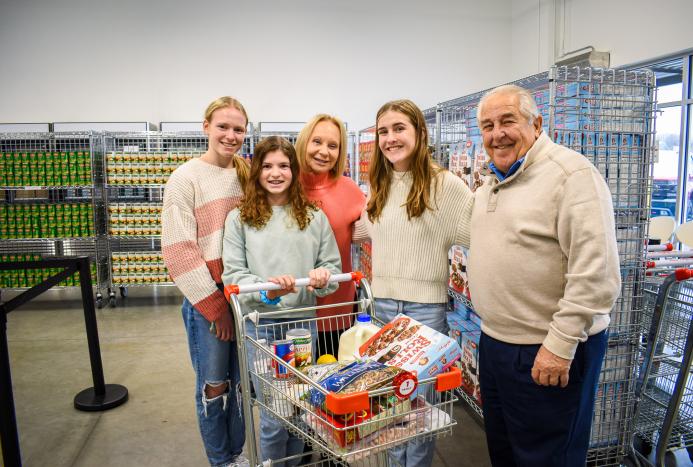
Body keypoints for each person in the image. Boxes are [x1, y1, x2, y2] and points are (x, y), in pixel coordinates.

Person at [467, 84, 621, 467]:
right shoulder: (491, 182)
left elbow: (596, 273)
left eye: (508, 121)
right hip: (497, 344)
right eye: (487, 126)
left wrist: (560, 344)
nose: (497, 134)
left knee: (548, 458)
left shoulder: (571, 175)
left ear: (537, 123)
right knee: (506, 453)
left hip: (547, 348)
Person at [361, 99, 474, 467]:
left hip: (425, 310)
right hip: (382, 309)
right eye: (383, 131)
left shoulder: (446, 185)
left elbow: (478, 233)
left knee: (418, 407)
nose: (390, 138)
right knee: (390, 405)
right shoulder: (377, 185)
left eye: (399, 129)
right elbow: (374, 234)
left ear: (419, 134)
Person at [221, 136, 341, 467]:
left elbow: (332, 268)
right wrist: (266, 291)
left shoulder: (314, 217)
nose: (276, 173)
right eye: (268, 166)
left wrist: (321, 278)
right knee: (276, 416)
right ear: (257, 171)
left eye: (284, 166)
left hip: (302, 328)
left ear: (295, 170)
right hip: (260, 330)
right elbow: (233, 276)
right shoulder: (239, 218)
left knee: (300, 413)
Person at [161, 96, 251, 467]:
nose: (230, 136)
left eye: (238, 129)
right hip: (208, 301)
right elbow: (179, 251)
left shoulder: (246, 173)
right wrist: (216, 307)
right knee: (215, 386)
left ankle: (238, 454)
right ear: (206, 127)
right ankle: (221, 460)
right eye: (223, 127)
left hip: (244, 297)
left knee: (243, 385)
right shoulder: (185, 179)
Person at [295, 114, 366, 357]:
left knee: (332, 380)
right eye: (317, 142)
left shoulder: (350, 190)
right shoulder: (283, 186)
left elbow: (374, 233)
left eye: (333, 146)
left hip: (337, 310)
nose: (324, 151)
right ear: (304, 142)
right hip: (287, 311)